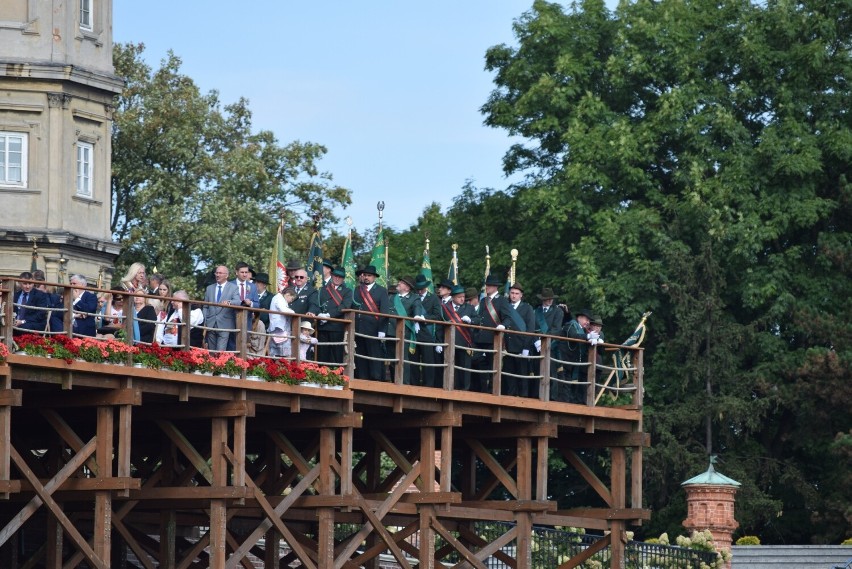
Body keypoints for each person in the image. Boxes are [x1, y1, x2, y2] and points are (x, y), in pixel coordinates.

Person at [473, 274, 515, 393]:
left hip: (493, 338)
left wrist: (502, 325)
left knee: (493, 367)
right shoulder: (483, 300)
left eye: (489, 285)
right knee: (478, 364)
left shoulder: (502, 301)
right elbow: (479, 317)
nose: (487, 287)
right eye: (487, 285)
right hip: (480, 338)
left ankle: (491, 391)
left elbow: (507, 318)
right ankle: (481, 389)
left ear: (495, 287)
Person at [353, 265, 389, 381]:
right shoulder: (357, 289)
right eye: (365, 275)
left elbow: (385, 312)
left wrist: (382, 330)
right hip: (359, 329)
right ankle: (362, 379)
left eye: (369, 275)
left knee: (374, 356)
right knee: (360, 356)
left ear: (374, 277)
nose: (366, 278)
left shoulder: (382, 291)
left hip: (374, 330)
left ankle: (376, 380)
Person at [440, 284, 477, 391]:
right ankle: (450, 388)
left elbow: (478, 320)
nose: (462, 299)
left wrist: (471, 321)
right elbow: (439, 325)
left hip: (465, 342)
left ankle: (464, 390)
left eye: (463, 297)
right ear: (453, 297)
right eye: (459, 297)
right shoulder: (445, 307)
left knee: (465, 369)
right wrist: (439, 342)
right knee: (450, 367)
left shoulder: (469, 308)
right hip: (449, 342)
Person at [503, 282, 537, 397]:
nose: (513, 295)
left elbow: (530, 329)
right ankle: (510, 397)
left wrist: (526, 348)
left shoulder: (527, 308)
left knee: (522, 375)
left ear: (521, 295)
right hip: (507, 346)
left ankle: (523, 398)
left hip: (521, 346)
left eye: (516, 293)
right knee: (509, 374)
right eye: (512, 293)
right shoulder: (505, 306)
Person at [390, 276, 424, 385]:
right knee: (392, 359)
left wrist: (417, 315)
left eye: (402, 282)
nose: (399, 283)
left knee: (403, 359)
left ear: (407, 288)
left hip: (404, 332)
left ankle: (405, 383)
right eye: (400, 281)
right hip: (390, 331)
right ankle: (393, 381)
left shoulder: (414, 298)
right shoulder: (391, 297)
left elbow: (417, 308)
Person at [316, 267, 353, 366]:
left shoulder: (347, 291)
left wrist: (328, 315)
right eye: (335, 276)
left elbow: (345, 306)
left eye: (340, 277)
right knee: (322, 354)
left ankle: (337, 376)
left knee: (336, 355)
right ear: (332, 276)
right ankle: (321, 375)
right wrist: (320, 315)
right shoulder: (322, 289)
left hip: (336, 326)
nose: (337, 278)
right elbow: (317, 304)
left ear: (343, 279)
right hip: (323, 325)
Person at [534, 287, 564, 401]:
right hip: (537, 346)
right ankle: (537, 395)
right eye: (547, 299)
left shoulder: (558, 311)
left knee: (551, 373)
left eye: (551, 299)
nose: (549, 301)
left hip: (552, 345)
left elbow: (556, 329)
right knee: (537, 371)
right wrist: (536, 340)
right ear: (543, 299)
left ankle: (552, 397)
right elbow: (533, 327)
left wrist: (543, 340)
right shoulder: (536, 311)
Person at [202, 265, 240, 351]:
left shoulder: (233, 288)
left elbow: (238, 301)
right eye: (216, 273)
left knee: (220, 351)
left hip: (225, 324)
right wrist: (206, 320)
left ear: (226, 275)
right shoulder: (209, 288)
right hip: (211, 323)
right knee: (211, 351)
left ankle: (219, 364)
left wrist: (229, 302)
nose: (217, 275)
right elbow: (205, 306)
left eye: (220, 273)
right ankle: (211, 364)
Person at [561, 308, 595, 403]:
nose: (587, 322)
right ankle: (565, 402)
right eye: (586, 319)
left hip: (574, 361)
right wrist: (588, 337)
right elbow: (573, 336)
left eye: (589, 321)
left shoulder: (582, 329)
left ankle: (571, 402)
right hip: (565, 358)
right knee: (565, 382)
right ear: (579, 318)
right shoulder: (570, 325)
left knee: (572, 383)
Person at [414, 274, 441, 387]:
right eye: (418, 288)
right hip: (414, 333)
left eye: (422, 288)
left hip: (428, 333)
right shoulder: (414, 296)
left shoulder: (433, 298)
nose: (420, 291)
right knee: (413, 361)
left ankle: (428, 385)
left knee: (428, 361)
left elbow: (437, 315)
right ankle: (413, 384)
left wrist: (425, 319)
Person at [227, 261, 259, 351]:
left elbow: (257, 304)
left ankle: (241, 364)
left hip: (246, 320)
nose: (244, 274)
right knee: (231, 345)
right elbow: (225, 301)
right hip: (231, 318)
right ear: (236, 272)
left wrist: (251, 303)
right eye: (242, 272)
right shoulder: (229, 285)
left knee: (243, 346)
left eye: (246, 272)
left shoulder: (252, 287)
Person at [268, 286, 296, 358]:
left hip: (280, 328)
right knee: (281, 352)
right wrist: (294, 312)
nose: (291, 301)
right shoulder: (279, 298)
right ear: (288, 295)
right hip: (279, 328)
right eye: (292, 299)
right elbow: (283, 309)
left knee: (279, 351)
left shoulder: (279, 298)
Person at [33, 270, 64, 334]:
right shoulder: (28, 296)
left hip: (49, 324)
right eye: (35, 285)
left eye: (38, 284)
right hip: (33, 322)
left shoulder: (53, 298)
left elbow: (59, 312)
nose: (36, 287)